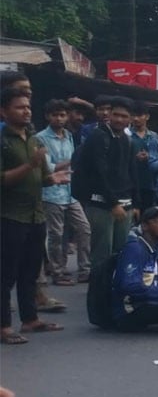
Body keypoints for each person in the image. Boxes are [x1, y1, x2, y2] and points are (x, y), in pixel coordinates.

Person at [2, 87, 69, 344]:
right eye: (20, 107)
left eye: (28, 106)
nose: (26, 111)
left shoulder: (33, 139)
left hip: (35, 215)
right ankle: (4, 326)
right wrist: (29, 165)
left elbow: (41, 177)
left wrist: (54, 179)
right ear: (4, 111)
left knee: (30, 273)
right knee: (6, 275)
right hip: (10, 216)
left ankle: (30, 319)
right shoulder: (3, 141)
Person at [73, 95, 135, 269]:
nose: (119, 119)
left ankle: (112, 293)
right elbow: (98, 174)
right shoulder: (98, 137)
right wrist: (113, 203)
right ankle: (98, 295)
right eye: (116, 114)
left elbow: (130, 172)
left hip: (125, 205)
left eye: (124, 116)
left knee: (120, 253)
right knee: (101, 255)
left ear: (130, 119)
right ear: (110, 115)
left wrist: (135, 204)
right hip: (102, 204)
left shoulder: (127, 140)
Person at [36, 99, 92, 285]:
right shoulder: (41, 138)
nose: (59, 119)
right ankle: (57, 271)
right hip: (52, 192)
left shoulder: (68, 135)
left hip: (70, 191)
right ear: (47, 117)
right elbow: (47, 166)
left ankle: (85, 270)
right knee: (56, 234)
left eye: (62, 115)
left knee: (84, 229)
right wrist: (70, 162)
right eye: (55, 115)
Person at [128, 100, 158, 215]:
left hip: (150, 184)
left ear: (147, 117)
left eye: (139, 115)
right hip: (131, 184)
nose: (136, 119)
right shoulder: (126, 135)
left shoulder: (155, 137)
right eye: (133, 115)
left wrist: (149, 157)